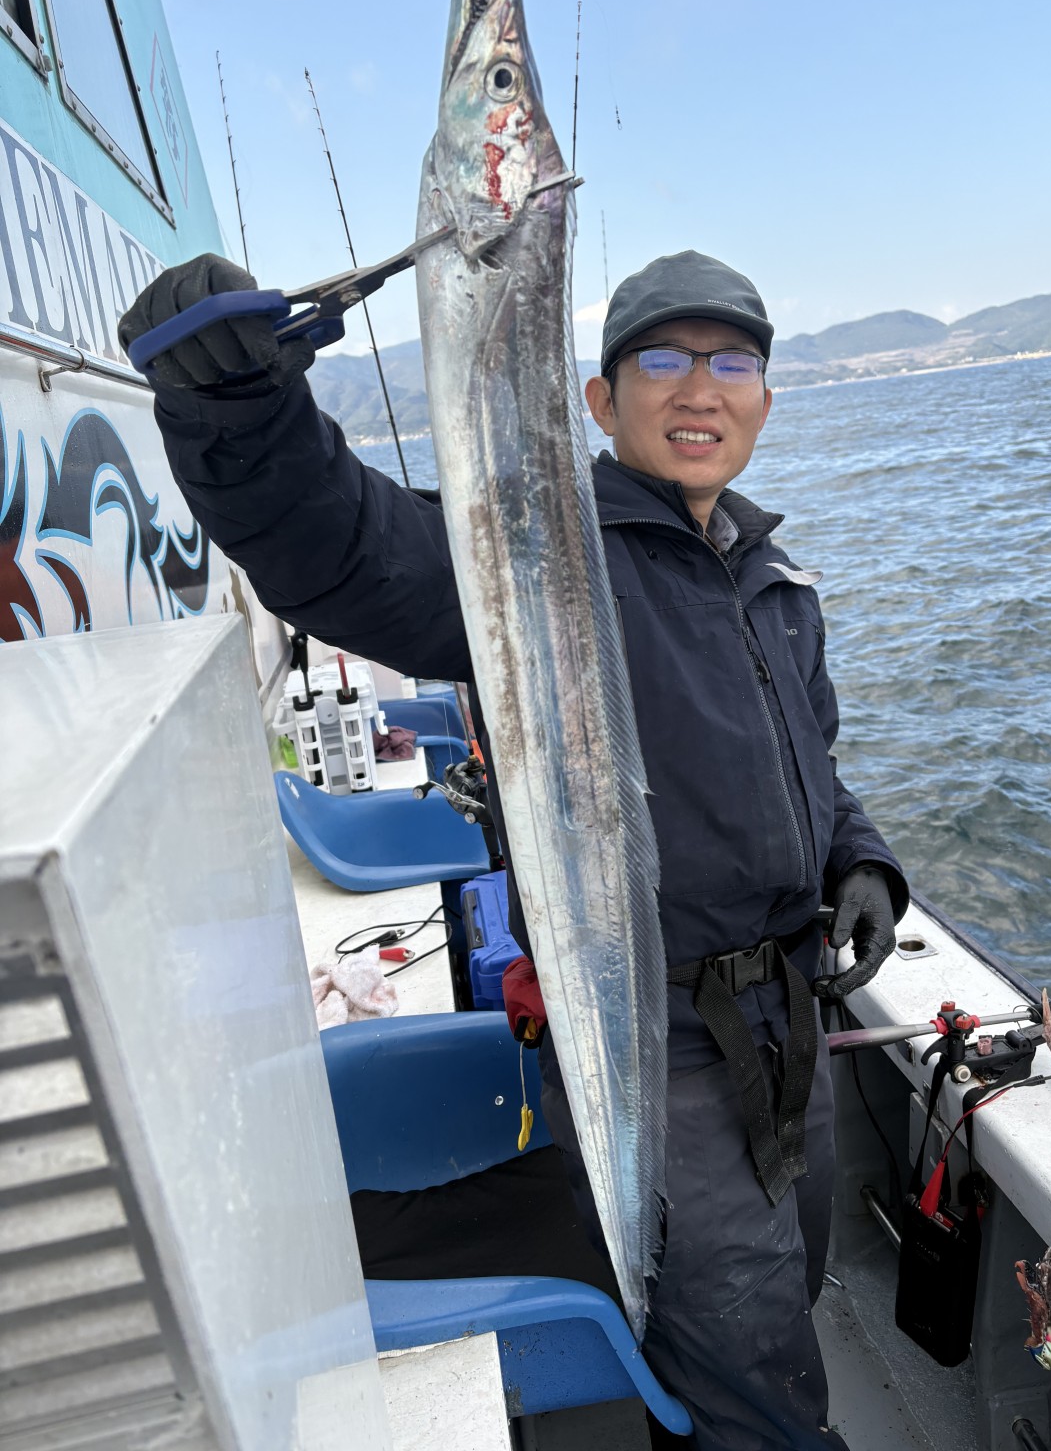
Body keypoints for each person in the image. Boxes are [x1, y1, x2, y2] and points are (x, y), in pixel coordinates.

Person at [121, 248, 908, 1451]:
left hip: (790, 1026)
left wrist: (863, 863)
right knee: (756, 1379)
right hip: (657, 1044)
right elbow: (343, 548)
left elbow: (817, 764)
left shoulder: (775, 580)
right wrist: (239, 409)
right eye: (664, 358)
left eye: (734, 362)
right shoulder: (530, 555)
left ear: (764, 398)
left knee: (787, 1291)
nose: (701, 387)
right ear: (598, 399)